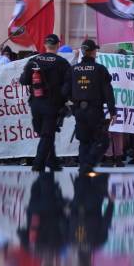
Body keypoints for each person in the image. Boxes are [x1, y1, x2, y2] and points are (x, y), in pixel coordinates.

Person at [63, 39, 116, 174]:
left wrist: (72, 106)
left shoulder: (73, 69)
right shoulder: (100, 69)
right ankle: (88, 164)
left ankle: (84, 170)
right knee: (102, 141)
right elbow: (108, 92)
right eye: (95, 51)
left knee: (84, 141)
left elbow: (65, 91)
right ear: (92, 52)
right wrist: (112, 111)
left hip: (79, 111)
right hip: (95, 110)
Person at [20, 34, 70, 172]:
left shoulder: (34, 60)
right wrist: (64, 100)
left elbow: (23, 80)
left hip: (36, 103)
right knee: (47, 135)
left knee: (45, 133)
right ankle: (38, 164)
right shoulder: (62, 63)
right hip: (52, 104)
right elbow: (68, 85)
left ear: (45, 45)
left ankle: (52, 162)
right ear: (58, 45)